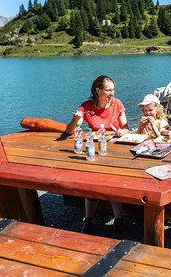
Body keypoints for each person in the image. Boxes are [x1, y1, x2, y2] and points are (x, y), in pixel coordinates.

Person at [65, 75, 129, 238]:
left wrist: (123, 131)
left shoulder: (117, 104)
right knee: (92, 184)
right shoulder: (86, 106)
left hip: (114, 150)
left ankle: (119, 220)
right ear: (98, 90)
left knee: (114, 185)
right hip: (95, 150)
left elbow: (126, 128)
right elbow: (70, 131)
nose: (112, 93)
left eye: (113, 89)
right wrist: (75, 120)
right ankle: (88, 219)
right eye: (108, 90)